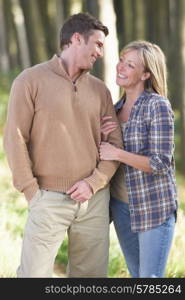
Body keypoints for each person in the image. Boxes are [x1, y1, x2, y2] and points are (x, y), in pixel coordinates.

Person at [3, 12, 123, 278]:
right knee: (32, 277)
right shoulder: (29, 80)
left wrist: (94, 182)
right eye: (98, 44)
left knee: (90, 280)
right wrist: (32, 192)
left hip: (93, 201)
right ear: (76, 39)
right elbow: (14, 137)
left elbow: (114, 145)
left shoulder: (100, 90)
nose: (100, 53)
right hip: (47, 198)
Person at [100, 40, 177, 278]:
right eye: (121, 61)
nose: (120, 67)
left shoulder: (158, 106)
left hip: (153, 207)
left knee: (149, 280)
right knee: (137, 277)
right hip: (122, 207)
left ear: (145, 74)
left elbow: (161, 162)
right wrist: (103, 136)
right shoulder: (114, 108)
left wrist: (118, 153)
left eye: (130, 65)